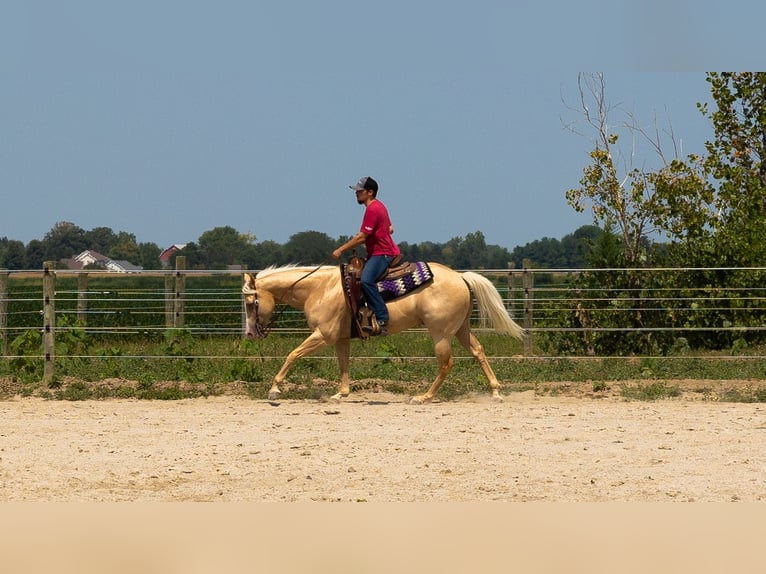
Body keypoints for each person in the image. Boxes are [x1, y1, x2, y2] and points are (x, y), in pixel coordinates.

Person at [332, 176, 400, 336]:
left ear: (370, 192)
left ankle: (382, 318)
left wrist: (340, 249)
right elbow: (390, 228)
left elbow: (362, 237)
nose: (356, 193)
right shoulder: (379, 206)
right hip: (380, 251)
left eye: (360, 191)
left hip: (382, 253)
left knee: (366, 280)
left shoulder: (373, 209)